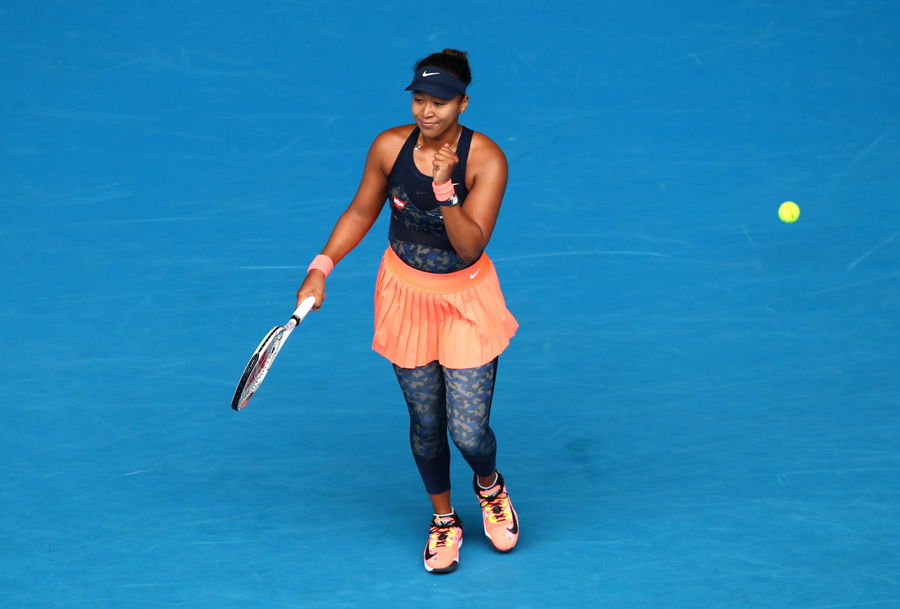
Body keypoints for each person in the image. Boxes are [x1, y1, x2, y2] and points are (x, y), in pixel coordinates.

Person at [295, 49, 519, 574]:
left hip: (465, 301)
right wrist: (321, 267)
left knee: (469, 433)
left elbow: (470, 246)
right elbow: (361, 211)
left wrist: (444, 189)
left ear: (463, 104)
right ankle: (444, 519)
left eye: (440, 101)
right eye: (420, 99)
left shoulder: (486, 159)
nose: (428, 110)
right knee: (426, 422)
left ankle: (489, 486)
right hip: (405, 296)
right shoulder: (388, 147)